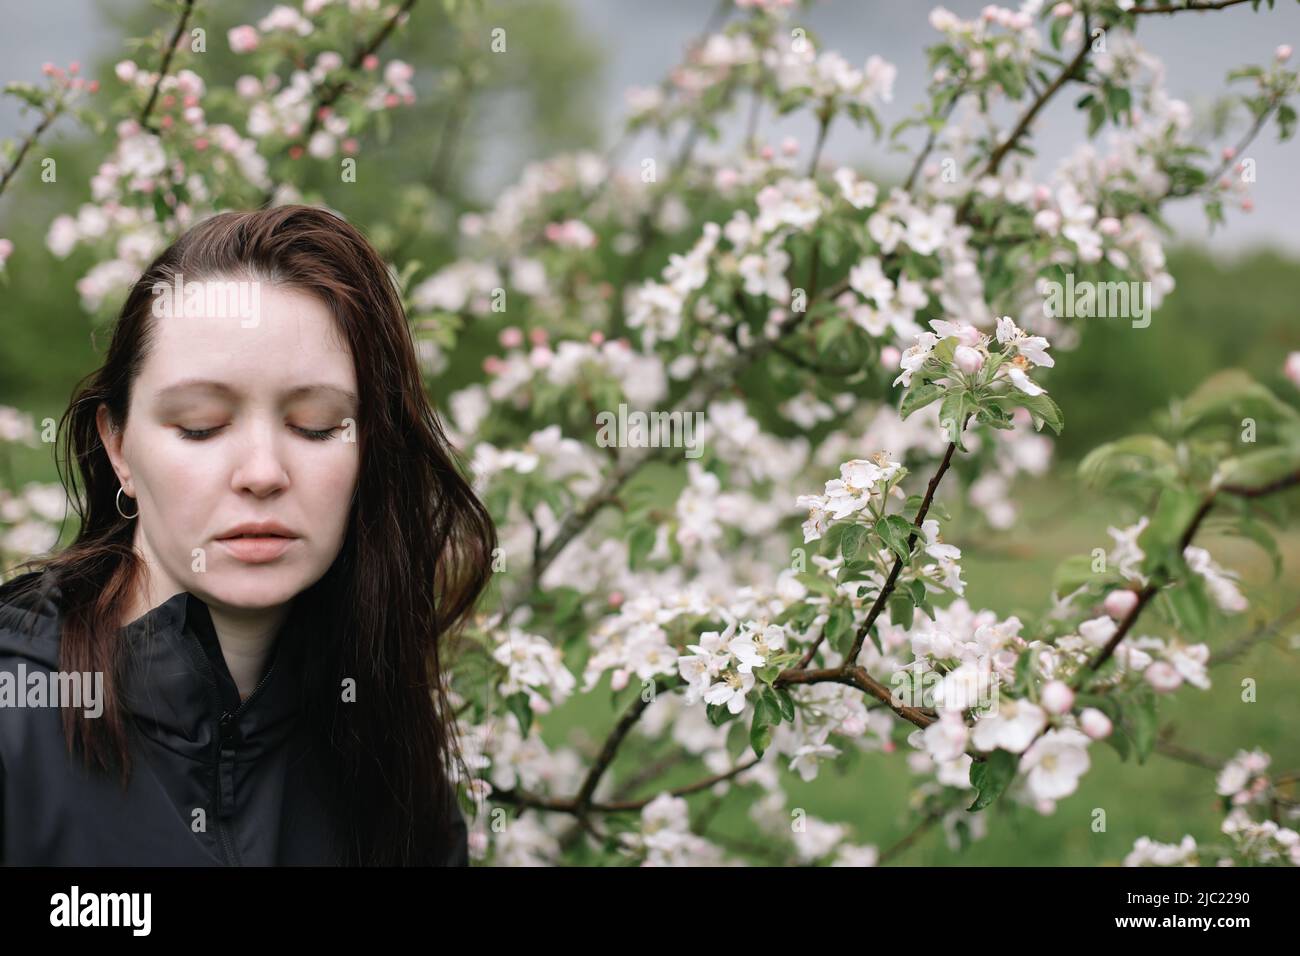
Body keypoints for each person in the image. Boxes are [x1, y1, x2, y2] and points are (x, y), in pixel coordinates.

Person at [0, 205, 496, 865]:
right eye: (201, 425)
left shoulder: (384, 742)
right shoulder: (18, 723)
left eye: (317, 426)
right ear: (118, 446)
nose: (262, 473)